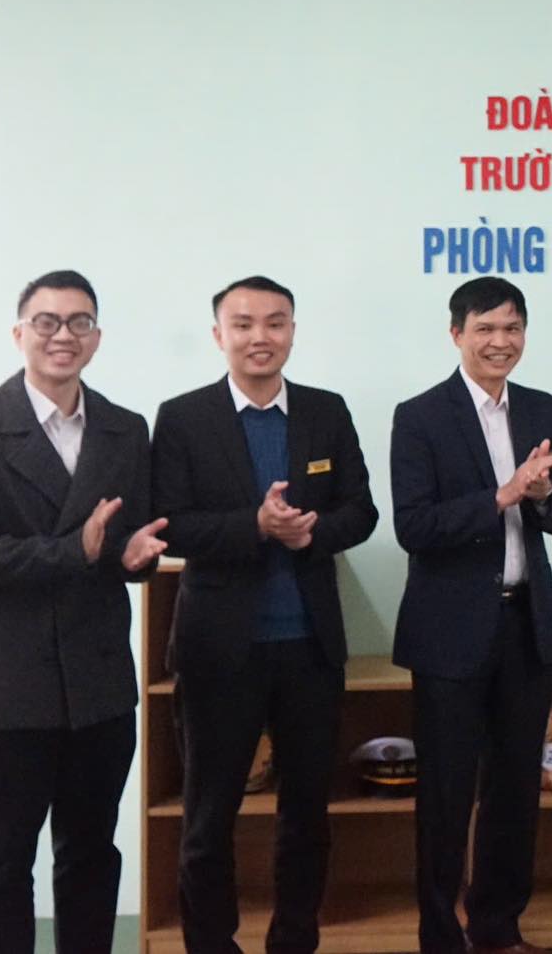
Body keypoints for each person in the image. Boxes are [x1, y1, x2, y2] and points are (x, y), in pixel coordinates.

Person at [0, 270, 168, 953]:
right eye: (47, 321)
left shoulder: (125, 428)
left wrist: (135, 559)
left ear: (97, 336)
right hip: (6, 685)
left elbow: (132, 540)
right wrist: (75, 550)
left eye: (79, 322)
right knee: (3, 865)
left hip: (98, 684)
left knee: (90, 856)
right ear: (19, 334)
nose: (64, 335)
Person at [152, 276, 379, 954]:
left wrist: (312, 532)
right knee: (208, 816)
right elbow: (170, 525)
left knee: (307, 813)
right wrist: (254, 526)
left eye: (275, 323)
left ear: (292, 332)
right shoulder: (184, 417)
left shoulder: (325, 411)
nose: (261, 337)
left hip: (309, 647)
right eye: (244, 324)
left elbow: (361, 511)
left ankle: (294, 941)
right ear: (218, 335)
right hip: (219, 650)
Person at [391, 276, 552, 954]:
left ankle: (498, 930)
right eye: (485, 329)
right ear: (457, 335)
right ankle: (441, 938)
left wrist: (545, 492)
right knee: (446, 796)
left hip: (525, 626)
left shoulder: (542, 408)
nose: (500, 342)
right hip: (449, 634)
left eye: (512, 328)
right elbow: (414, 527)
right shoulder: (420, 416)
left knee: (514, 792)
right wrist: (501, 496)